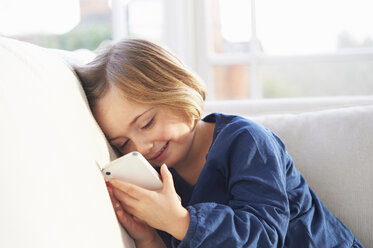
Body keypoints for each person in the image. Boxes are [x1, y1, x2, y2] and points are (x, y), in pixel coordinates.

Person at [75, 38, 363, 248]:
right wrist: (148, 236)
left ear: (178, 91)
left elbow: (265, 237)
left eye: (147, 123)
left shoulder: (247, 141)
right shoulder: (160, 179)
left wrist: (179, 221)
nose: (141, 147)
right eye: (123, 143)